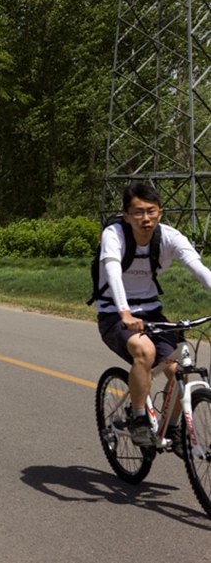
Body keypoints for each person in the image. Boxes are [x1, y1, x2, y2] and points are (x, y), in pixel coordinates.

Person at [96, 182, 211, 447]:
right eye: (137, 212)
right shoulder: (115, 234)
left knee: (180, 368)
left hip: (150, 310)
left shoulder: (170, 237)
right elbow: (112, 270)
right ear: (126, 216)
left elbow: (198, 268)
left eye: (151, 211)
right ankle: (138, 419)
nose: (145, 218)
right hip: (114, 312)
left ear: (160, 212)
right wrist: (124, 312)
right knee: (144, 352)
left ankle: (171, 430)